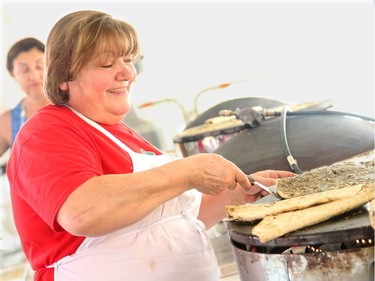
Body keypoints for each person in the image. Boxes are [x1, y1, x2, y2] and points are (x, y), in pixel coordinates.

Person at [6, 10, 295, 281]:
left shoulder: (124, 135)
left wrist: (240, 194)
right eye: (107, 64)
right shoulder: (45, 132)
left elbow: (176, 218)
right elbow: (83, 212)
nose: (127, 73)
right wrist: (187, 172)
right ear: (65, 77)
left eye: (129, 60)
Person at [0, 37, 50, 160]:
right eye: (24, 70)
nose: (34, 76)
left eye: (39, 66)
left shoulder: (74, 107)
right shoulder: (7, 122)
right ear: (13, 75)